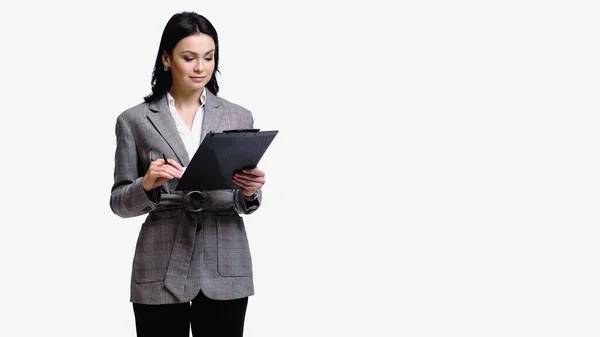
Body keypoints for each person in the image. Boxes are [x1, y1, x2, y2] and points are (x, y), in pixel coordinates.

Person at [109, 11, 265, 337]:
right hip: (160, 261)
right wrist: (147, 185)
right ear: (166, 58)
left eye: (209, 57)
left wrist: (249, 191)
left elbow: (242, 198)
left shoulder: (239, 115)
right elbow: (119, 202)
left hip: (225, 262)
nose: (200, 67)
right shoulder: (133, 120)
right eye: (189, 57)